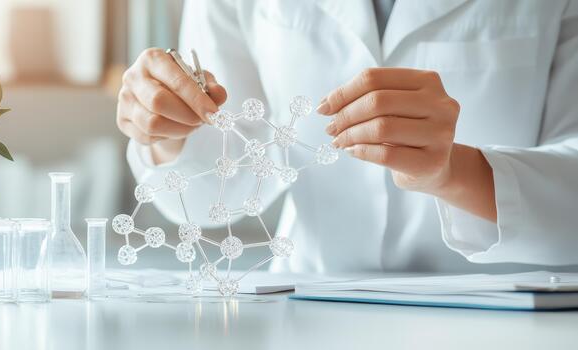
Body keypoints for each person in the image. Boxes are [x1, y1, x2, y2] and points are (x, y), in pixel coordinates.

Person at [116, 0, 578, 273]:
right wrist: (167, 131)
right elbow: (214, 192)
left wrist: (454, 172)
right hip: (313, 304)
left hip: (508, 312)